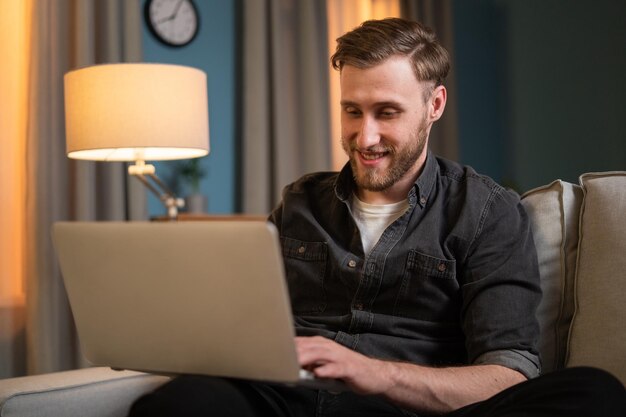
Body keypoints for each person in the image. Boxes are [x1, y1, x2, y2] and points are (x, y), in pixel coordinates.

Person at [129, 18, 625, 417]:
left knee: (593, 392)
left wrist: (376, 373)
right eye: (352, 111)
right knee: (177, 402)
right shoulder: (301, 202)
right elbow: (243, 323)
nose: (364, 138)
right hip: (287, 398)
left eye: (386, 113)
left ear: (434, 104)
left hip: (404, 406)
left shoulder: (487, 212)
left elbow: (508, 375)